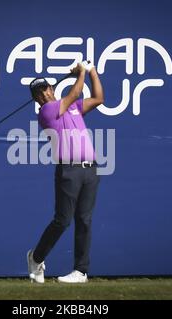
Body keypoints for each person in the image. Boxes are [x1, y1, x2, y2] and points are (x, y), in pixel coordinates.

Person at [27, 62, 104, 283]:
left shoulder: (71, 107)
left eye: (46, 88)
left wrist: (92, 72)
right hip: (69, 169)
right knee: (62, 220)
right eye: (39, 92)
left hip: (90, 168)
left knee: (84, 220)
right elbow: (76, 91)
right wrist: (81, 71)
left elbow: (98, 98)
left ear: (51, 88)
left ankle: (80, 271)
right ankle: (36, 256)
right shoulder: (47, 110)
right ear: (37, 98)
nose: (44, 93)